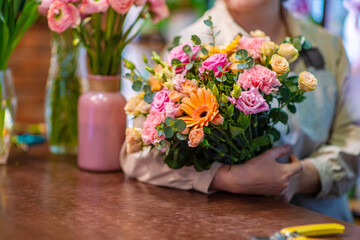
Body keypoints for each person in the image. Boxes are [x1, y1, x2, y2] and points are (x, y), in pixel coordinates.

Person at [120, 0, 360, 222]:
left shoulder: (329, 47)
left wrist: (300, 178)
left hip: (321, 225)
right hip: (226, 227)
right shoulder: (189, 47)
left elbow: (352, 141)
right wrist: (224, 178)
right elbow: (138, 156)